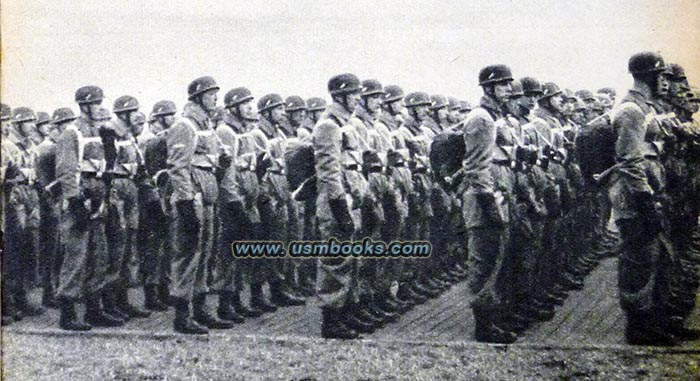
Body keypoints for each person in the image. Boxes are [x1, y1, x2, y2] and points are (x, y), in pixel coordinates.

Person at [607, 52, 677, 345]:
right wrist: (645, 201)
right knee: (638, 261)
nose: (665, 83)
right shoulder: (631, 111)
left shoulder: (642, 108)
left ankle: (652, 321)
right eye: (661, 77)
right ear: (648, 76)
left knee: (654, 257)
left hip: (644, 195)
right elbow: (630, 162)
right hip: (634, 199)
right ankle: (637, 327)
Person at [166, 76, 234, 334]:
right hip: (192, 194)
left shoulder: (205, 125)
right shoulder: (185, 125)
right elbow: (178, 166)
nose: (215, 97)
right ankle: (182, 316)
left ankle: (200, 308)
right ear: (197, 97)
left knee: (205, 252)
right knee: (188, 253)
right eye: (210, 94)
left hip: (208, 191)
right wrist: (184, 202)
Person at [55, 86, 122, 330]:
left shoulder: (101, 131)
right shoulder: (72, 133)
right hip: (81, 194)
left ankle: (94, 309)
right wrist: (75, 201)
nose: (100, 107)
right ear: (84, 106)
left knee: (99, 253)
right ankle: (68, 311)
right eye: (95, 104)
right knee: (76, 254)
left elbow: (106, 166)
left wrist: (110, 147)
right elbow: (65, 170)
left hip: (97, 192)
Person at [461, 64, 516, 343]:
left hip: (494, 197)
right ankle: (483, 325)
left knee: (494, 259)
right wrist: (489, 206)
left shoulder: (492, 116)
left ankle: (490, 318)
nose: (509, 88)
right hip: (483, 200)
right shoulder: (482, 118)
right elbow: (476, 169)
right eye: (504, 84)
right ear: (490, 87)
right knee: (483, 262)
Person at [314, 73, 363, 339]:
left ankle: (344, 317)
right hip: (335, 202)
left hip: (347, 200)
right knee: (335, 261)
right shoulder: (328, 126)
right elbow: (329, 172)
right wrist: (340, 208)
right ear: (340, 96)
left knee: (348, 260)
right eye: (353, 93)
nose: (358, 98)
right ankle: (331, 322)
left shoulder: (344, 123)